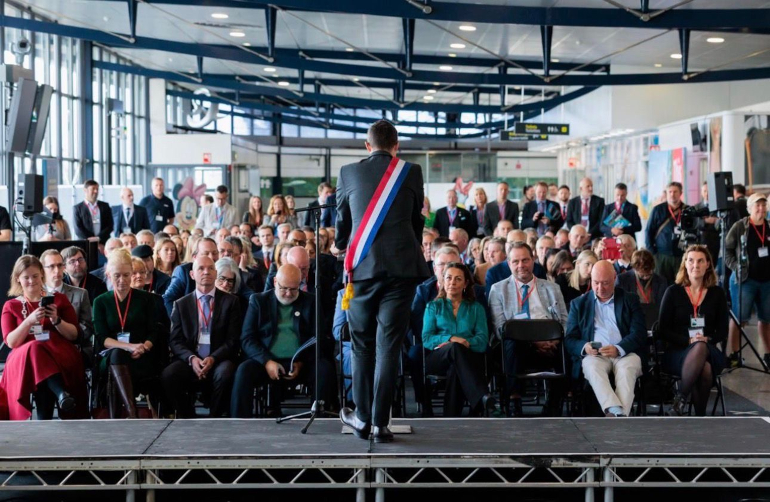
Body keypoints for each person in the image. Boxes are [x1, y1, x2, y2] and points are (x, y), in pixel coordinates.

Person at [335, 119, 430, 443]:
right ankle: (380, 423)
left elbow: (342, 221)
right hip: (402, 268)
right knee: (388, 346)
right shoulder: (412, 171)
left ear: (367, 145)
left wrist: (339, 243)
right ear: (396, 145)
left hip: (362, 269)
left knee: (362, 346)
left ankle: (361, 419)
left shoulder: (348, 172)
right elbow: (417, 218)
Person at [231, 264, 336, 417]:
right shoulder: (259, 301)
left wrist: (300, 362)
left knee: (324, 369)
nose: (288, 293)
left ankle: (319, 418)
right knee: (243, 371)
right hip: (266, 360)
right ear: (275, 282)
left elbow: (318, 339)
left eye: (294, 289)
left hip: (301, 361)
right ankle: (238, 421)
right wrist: (267, 362)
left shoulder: (311, 302)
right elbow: (247, 339)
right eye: (284, 288)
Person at [1, 255, 88, 420]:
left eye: (35, 276)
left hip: (57, 353)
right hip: (23, 358)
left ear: (41, 274)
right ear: (18, 279)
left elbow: (74, 335)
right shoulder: (11, 306)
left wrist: (56, 320)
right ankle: (61, 392)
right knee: (35, 348)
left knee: (40, 361)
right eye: (26, 277)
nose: (31, 281)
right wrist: (29, 321)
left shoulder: (59, 299)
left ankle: (44, 420)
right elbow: (11, 342)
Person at [488, 242, 568, 416]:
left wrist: (554, 339)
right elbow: (500, 329)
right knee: (510, 340)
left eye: (525, 260)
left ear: (533, 260)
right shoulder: (498, 290)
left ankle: (553, 404)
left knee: (570, 347)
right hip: (517, 347)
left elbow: (564, 322)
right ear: (508, 263)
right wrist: (535, 341)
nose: (521, 265)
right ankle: (514, 400)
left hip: (550, 345)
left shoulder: (552, 288)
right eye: (515, 261)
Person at [565, 260, 647, 417]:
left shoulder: (630, 299)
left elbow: (639, 333)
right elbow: (569, 339)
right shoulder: (579, 304)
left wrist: (619, 348)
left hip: (625, 352)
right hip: (595, 355)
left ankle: (616, 415)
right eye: (596, 283)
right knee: (591, 367)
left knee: (626, 370)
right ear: (591, 279)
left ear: (615, 278)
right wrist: (584, 347)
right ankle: (618, 412)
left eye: (605, 283)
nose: (600, 288)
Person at [162, 256, 241, 418]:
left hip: (219, 359)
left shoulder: (231, 302)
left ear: (216, 272)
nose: (206, 272)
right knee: (169, 375)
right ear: (192, 275)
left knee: (225, 373)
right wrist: (191, 358)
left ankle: (215, 417)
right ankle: (187, 416)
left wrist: (212, 358)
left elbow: (232, 340)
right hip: (191, 359)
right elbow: (175, 340)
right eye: (201, 268)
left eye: (211, 268)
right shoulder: (181, 304)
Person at [658, 245, 728, 416]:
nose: (695, 265)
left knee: (701, 348)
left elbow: (723, 331)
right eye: (691, 260)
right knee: (704, 368)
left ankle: (680, 399)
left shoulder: (717, 293)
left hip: (709, 349)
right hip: (678, 350)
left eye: (700, 261)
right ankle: (699, 416)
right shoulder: (673, 292)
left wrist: (708, 339)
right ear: (685, 264)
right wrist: (688, 341)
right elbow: (662, 329)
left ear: (708, 265)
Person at [423, 262, 497, 417]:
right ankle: (481, 395)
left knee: (456, 365)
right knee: (455, 348)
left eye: (458, 279)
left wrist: (466, 343)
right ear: (443, 281)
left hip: (468, 356)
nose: (452, 282)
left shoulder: (476, 308)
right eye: (449, 278)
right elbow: (427, 338)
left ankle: (450, 416)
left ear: (466, 283)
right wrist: (451, 338)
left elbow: (483, 340)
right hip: (439, 358)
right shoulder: (433, 306)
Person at [93, 249, 160, 418]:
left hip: (142, 355)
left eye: (125, 275)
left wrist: (143, 347)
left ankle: (121, 417)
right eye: (117, 275)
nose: (122, 280)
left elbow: (154, 331)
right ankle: (131, 411)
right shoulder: (100, 301)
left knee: (118, 361)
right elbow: (102, 338)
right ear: (109, 275)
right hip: (112, 355)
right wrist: (129, 347)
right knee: (116, 354)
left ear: (131, 273)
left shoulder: (146, 299)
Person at [725, 192, 770, 368]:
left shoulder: (769, 226)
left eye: (763, 205)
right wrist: (736, 266)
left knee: (766, 319)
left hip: (767, 281)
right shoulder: (739, 227)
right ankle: (734, 354)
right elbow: (727, 250)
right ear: (749, 208)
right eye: (757, 205)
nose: (761, 209)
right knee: (740, 318)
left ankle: (768, 354)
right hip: (745, 280)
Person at [41, 249, 94, 350]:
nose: (57, 270)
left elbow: (87, 327)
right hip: (44, 345)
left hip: (71, 344)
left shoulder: (81, 294)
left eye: (60, 265)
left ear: (64, 267)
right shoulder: (36, 294)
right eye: (51, 266)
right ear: (42, 270)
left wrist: (70, 334)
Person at [163, 237, 219, 315]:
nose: (211, 257)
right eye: (206, 253)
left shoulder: (223, 270)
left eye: (214, 253)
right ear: (194, 257)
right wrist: (179, 322)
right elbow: (168, 298)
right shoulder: (184, 271)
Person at [646, 181, 687, 284]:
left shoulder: (688, 210)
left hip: (682, 255)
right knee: (661, 285)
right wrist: (653, 254)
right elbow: (648, 232)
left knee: (681, 285)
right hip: (662, 255)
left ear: (681, 193)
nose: (672, 194)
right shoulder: (657, 210)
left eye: (675, 192)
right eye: (670, 192)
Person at [73, 179, 114, 245]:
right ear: (85, 190)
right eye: (93, 189)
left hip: (103, 243)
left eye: (97, 189)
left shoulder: (105, 206)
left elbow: (110, 225)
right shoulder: (78, 208)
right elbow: (78, 228)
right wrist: (91, 240)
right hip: (85, 243)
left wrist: (98, 238)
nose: (96, 191)